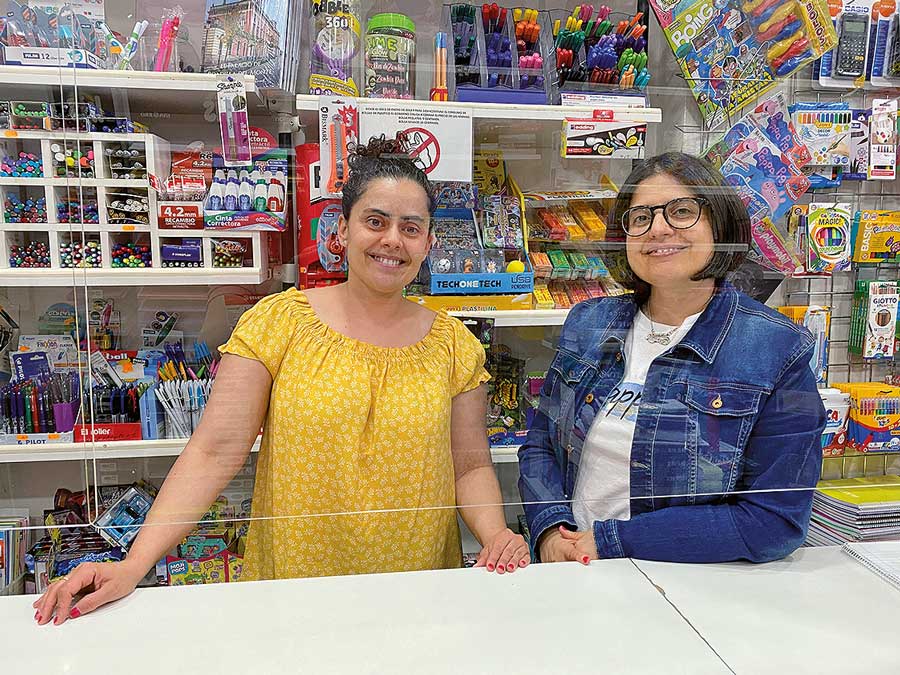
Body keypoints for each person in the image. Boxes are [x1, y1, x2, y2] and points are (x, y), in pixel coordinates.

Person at [34, 135, 528, 626]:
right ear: (342, 229)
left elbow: (469, 467)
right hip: (298, 587)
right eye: (375, 221)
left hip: (417, 589)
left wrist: (496, 535)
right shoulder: (278, 324)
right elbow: (214, 451)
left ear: (429, 242)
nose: (391, 240)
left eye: (411, 227)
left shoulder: (454, 346)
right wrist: (134, 563)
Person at [519, 152, 826, 565]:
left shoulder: (776, 348)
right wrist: (551, 530)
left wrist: (614, 542)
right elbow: (541, 445)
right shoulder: (589, 323)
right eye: (640, 218)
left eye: (681, 212)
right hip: (574, 573)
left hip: (692, 593)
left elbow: (774, 520)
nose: (658, 229)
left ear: (720, 224)